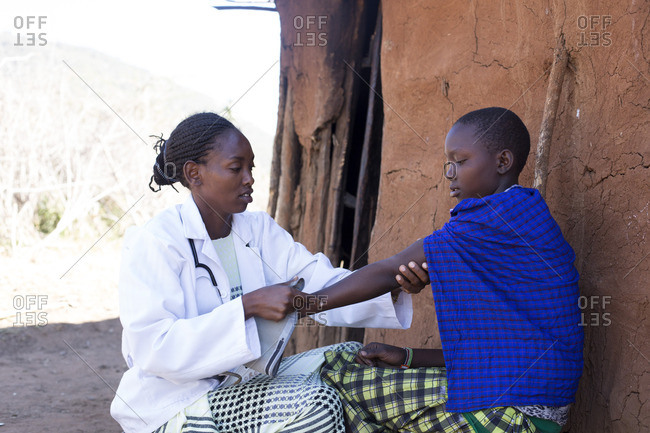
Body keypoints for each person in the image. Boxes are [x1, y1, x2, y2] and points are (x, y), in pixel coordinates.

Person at [110, 112, 429, 433]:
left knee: (350, 359)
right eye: (236, 168)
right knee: (316, 406)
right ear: (194, 174)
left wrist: (393, 282)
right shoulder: (156, 240)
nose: (249, 178)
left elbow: (321, 285)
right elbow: (153, 350)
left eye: (251, 168)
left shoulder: (258, 229)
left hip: (241, 385)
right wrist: (248, 306)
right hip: (176, 403)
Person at [298, 107, 584, 433]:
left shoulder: (491, 218)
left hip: (514, 412)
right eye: (449, 164)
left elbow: (392, 268)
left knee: (338, 381)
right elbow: (502, 350)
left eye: (461, 162)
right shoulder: (522, 211)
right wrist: (407, 357)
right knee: (349, 364)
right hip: (532, 405)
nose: (451, 173)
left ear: (503, 162)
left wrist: (306, 304)